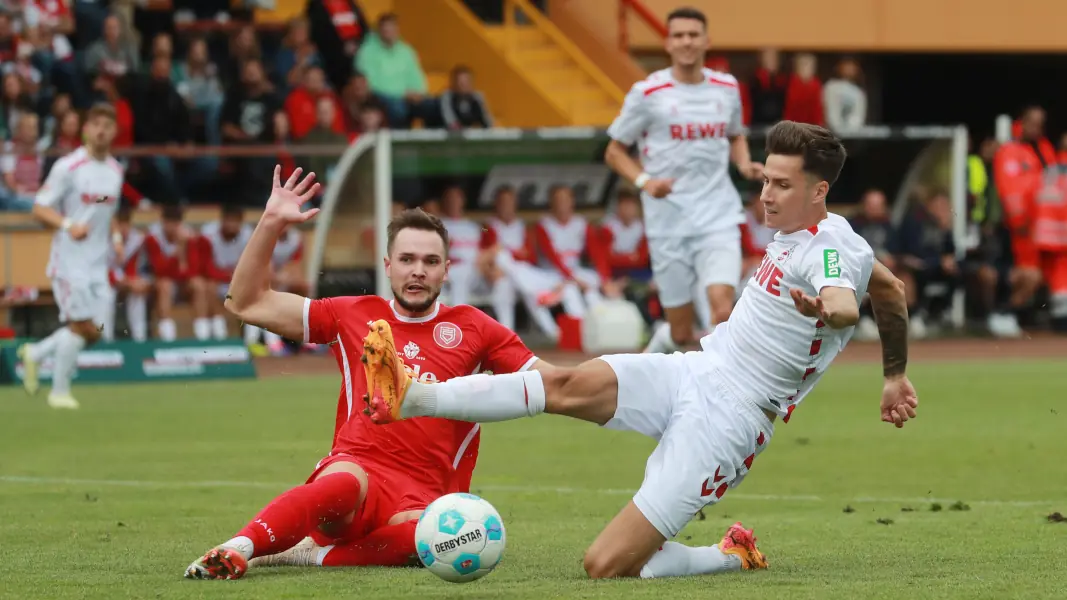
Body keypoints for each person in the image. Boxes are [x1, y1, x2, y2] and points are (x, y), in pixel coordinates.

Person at [362, 122, 919, 580]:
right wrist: (894, 375)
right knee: (565, 384)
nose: (765, 195)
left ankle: (730, 553)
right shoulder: (824, 233)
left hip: (732, 420)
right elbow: (890, 291)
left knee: (605, 565)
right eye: (766, 180)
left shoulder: (829, 249)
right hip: (696, 370)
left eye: (781, 185)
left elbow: (846, 303)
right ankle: (411, 397)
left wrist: (824, 310)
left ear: (818, 191)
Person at [185, 167, 543, 580]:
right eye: (407, 260)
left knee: (427, 541)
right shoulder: (350, 313)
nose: (418, 271)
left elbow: (544, 381)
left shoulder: (476, 327)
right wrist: (271, 223)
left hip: (426, 493)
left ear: (447, 269)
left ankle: (305, 555)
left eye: (430, 261)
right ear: (388, 265)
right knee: (336, 488)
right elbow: (245, 303)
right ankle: (238, 548)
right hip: (358, 468)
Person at [604, 7, 764, 354]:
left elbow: (736, 135)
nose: (686, 41)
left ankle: (719, 397)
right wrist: (645, 181)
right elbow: (614, 152)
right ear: (668, 43)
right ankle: (647, 364)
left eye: (693, 34)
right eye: (679, 35)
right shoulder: (648, 92)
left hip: (717, 215)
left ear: (706, 41)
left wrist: (745, 164)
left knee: (722, 308)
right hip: (669, 222)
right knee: (680, 331)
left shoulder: (726, 88)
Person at [16, 104, 124, 409]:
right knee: (81, 327)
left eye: (108, 125)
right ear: (86, 130)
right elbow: (39, 207)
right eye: (97, 124)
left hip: (98, 264)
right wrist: (67, 224)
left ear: (114, 132)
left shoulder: (115, 171)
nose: (102, 130)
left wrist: (115, 237)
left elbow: (107, 206)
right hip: (70, 261)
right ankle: (59, 392)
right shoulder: (68, 167)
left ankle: (34, 354)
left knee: (97, 331)